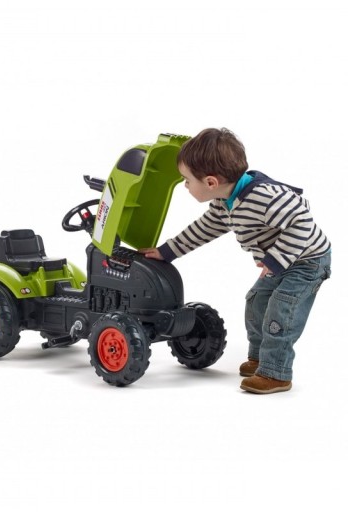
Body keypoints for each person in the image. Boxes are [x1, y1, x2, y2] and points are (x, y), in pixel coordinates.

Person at [140, 128, 331, 394]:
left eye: (186, 180)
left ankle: (276, 372)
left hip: (307, 261)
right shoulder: (225, 201)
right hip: (281, 263)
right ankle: (261, 358)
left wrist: (275, 260)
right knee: (256, 302)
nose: (185, 186)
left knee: (281, 311)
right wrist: (167, 251)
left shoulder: (264, 197)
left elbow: (302, 221)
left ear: (210, 182)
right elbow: (204, 228)